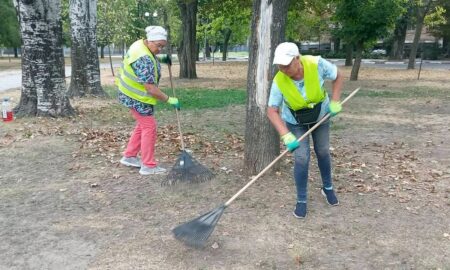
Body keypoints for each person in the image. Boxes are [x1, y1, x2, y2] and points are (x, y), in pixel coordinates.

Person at [267, 42, 344, 218]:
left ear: (297, 58)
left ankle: (328, 188)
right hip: (295, 121)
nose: (283, 69)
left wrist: (335, 100)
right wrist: (285, 135)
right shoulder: (279, 80)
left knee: (323, 151)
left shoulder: (316, 64)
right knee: (301, 158)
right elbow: (271, 110)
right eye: (279, 66)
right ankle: (301, 199)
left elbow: (338, 76)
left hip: (321, 116)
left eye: (286, 65)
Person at [117, 25, 180, 175]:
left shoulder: (140, 44)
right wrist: (169, 100)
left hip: (128, 93)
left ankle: (129, 156)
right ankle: (148, 165)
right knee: (149, 127)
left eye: (162, 47)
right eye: (158, 46)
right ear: (150, 41)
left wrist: (161, 59)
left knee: (142, 125)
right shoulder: (144, 58)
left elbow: (148, 56)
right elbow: (151, 88)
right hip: (136, 97)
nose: (160, 49)